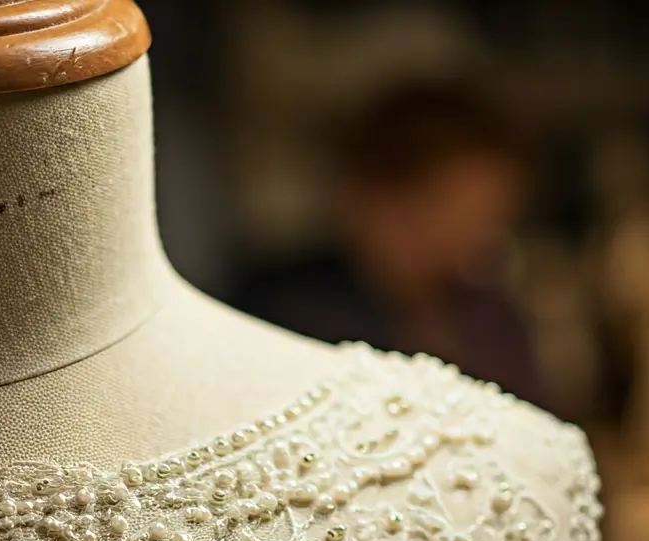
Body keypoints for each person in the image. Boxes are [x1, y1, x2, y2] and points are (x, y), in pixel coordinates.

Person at [234, 78, 549, 408]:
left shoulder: (486, 312)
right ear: (376, 196)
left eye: (493, 217)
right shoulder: (285, 313)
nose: (485, 237)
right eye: (456, 211)